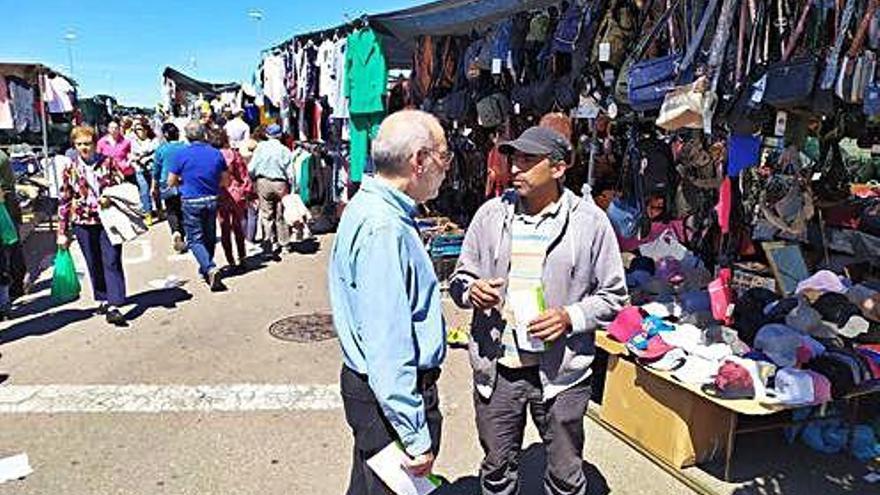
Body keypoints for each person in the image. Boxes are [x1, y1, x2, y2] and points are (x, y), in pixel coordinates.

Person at [449, 126, 628, 495]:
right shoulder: (490, 215)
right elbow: (459, 280)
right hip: (499, 370)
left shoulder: (590, 223)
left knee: (565, 477)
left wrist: (569, 317)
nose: (516, 167)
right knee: (496, 472)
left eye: (529, 160)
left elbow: (614, 297)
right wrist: (472, 291)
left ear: (559, 168)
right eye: (514, 158)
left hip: (562, 373)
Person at [329, 110, 452, 494]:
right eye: (444, 156)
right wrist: (415, 435)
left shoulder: (371, 207)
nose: (447, 167)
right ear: (419, 160)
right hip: (390, 399)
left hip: (376, 394)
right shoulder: (384, 226)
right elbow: (388, 344)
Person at [57, 126, 129, 326]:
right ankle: (103, 298)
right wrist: (61, 231)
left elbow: (122, 186)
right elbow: (64, 199)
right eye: (79, 144)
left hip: (108, 220)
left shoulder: (109, 163)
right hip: (83, 221)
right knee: (93, 261)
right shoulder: (70, 168)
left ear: (95, 143)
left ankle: (115, 305)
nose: (84, 148)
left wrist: (110, 198)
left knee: (112, 259)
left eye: (87, 143)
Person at [167, 121, 229, 291]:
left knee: (194, 239)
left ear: (186, 136)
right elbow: (225, 180)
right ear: (204, 134)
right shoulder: (216, 154)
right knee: (209, 236)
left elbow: (170, 182)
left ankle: (209, 267)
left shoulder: (181, 155)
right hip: (211, 199)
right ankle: (206, 269)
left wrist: (184, 180)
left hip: (191, 200)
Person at [247, 123, 294, 261]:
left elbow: (252, 168)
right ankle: (284, 244)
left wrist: (253, 180)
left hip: (263, 182)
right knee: (281, 215)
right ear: (279, 136)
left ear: (267, 134)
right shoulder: (285, 150)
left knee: (267, 215)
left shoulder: (260, 148)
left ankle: (270, 243)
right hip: (280, 183)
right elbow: (290, 172)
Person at [207, 127, 251, 271]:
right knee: (238, 226)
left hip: (220, 194)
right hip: (236, 193)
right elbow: (243, 174)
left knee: (224, 227)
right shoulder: (234, 154)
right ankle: (242, 257)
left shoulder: (211, 156)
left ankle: (230, 259)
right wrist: (247, 190)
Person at [152, 122, 188, 253]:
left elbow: (155, 170)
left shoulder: (161, 149)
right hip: (184, 182)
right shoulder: (185, 147)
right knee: (182, 210)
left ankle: (176, 232)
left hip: (166, 183)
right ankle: (182, 235)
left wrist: (154, 186)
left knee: (171, 211)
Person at [129, 119, 158, 224]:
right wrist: (140, 156)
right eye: (136, 130)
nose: (138, 131)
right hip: (140, 169)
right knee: (144, 192)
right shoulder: (133, 142)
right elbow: (133, 154)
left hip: (152, 168)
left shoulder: (153, 140)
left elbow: (155, 152)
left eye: (140, 129)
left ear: (146, 130)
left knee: (155, 190)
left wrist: (143, 155)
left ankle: (159, 210)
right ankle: (148, 214)